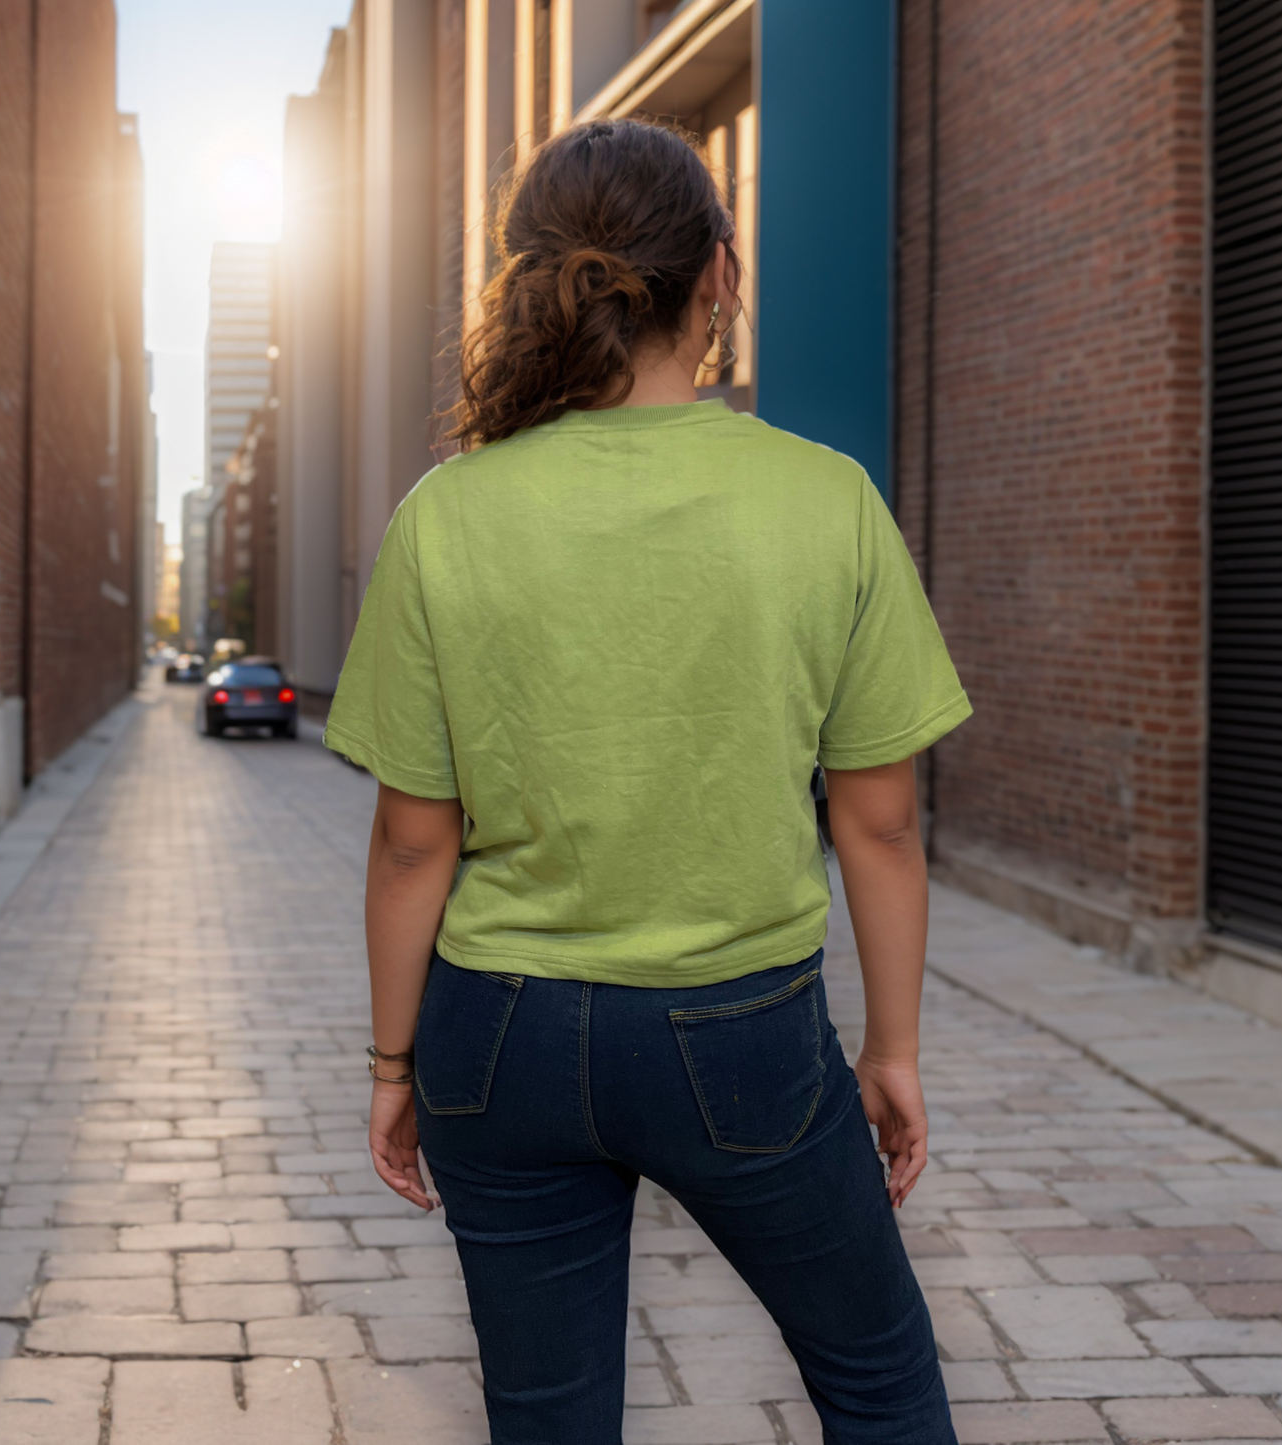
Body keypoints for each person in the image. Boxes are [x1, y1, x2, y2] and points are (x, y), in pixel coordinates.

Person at [324, 117, 970, 1445]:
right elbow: (882, 820)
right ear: (718, 278)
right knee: (880, 1379)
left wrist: (395, 1063)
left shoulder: (445, 514)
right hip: (740, 1042)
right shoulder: (827, 499)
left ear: (530, 284)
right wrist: (893, 1051)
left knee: (548, 1419)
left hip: (492, 1045)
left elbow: (409, 847)